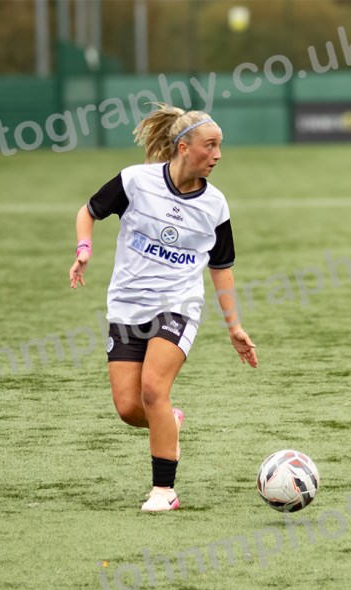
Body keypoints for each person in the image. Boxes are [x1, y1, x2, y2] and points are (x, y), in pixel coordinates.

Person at [69, 104, 258, 513]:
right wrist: (84, 249)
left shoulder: (215, 205)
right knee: (128, 408)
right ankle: (170, 421)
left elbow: (221, 268)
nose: (218, 155)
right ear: (183, 147)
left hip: (178, 305)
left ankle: (164, 490)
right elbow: (89, 211)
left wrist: (234, 327)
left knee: (154, 388)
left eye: (220, 146)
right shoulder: (135, 181)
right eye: (210, 145)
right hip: (126, 305)